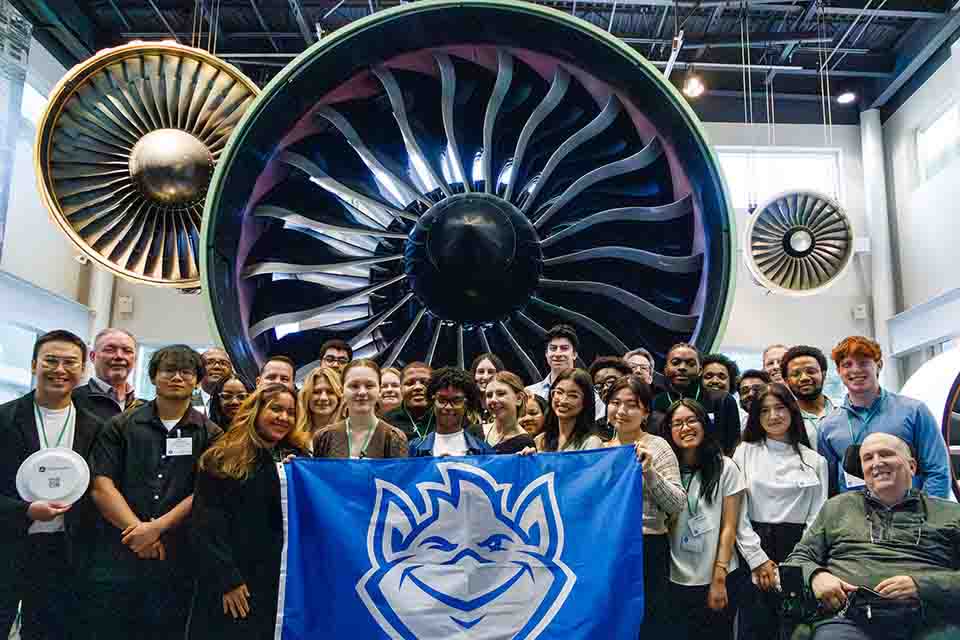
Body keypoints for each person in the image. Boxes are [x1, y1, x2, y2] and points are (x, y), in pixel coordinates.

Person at [88, 345, 222, 640]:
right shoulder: (120, 426)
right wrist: (138, 531)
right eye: (168, 371)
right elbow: (101, 484)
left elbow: (206, 492)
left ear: (197, 380)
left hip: (177, 558)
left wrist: (157, 528)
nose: (177, 377)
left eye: (186, 371)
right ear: (153, 376)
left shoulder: (211, 434)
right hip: (118, 554)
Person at [782, 432, 960, 639]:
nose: (876, 463)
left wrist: (922, 585)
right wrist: (816, 576)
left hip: (929, 618)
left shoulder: (951, 513)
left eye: (885, 454)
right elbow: (797, 560)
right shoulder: (838, 507)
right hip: (849, 619)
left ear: (912, 466)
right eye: (868, 458)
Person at [188, 384, 311, 640]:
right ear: (255, 411)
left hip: (279, 582)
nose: (283, 418)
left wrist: (298, 475)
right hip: (233, 580)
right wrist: (228, 579)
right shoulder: (220, 458)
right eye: (276, 409)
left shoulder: (299, 459)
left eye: (290, 412)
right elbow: (205, 525)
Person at [0, 330, 101, 639]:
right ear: (34, 365)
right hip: (7, 545)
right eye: (51, 361)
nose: (60, 370)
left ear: (83, 369)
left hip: (66, 551)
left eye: (70, 362)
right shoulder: (4, 419)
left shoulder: (96, 427)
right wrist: (26, 509)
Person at [734, 384, 828, 640]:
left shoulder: (815, 460)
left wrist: (797, 563)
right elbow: (738, 514)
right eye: (765, 410)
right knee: (755, 626)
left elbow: (817, 518)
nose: (773, 416)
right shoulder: (744, 452)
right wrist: (757, 559)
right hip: (754, 547)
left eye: (780, 408)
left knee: (794, 629)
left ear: (792, 411)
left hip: (798, 549)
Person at [817, 336, 952, 498]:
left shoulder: (913, 411)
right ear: (839, 371)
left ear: (878, 365)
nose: (855, 370)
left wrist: (929, 515)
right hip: (857, 518)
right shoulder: (828, 426)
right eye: (847, 365)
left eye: (863, 363)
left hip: (909, 515)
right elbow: (829, 485)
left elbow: (937, 470)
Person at [603, 375, 685, 635]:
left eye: (632, 404)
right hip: (605, 548)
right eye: (615, 403)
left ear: (646, 412)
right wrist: (531, 460)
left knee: (646, 623)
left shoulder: (657, 447)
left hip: (646, 547)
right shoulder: (597, 449)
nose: (622, 411)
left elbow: (677, 504)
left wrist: (649, 472)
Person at [664, 399, 750, 640]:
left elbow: (729, 527)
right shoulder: (665, 468)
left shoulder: (726, 467)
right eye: (677, 423)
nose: (685, 428)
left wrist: (719, 578)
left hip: (717, 575)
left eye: (692, 421)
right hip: (674, 576)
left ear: (705, 424)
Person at [652, 343, 741, 456]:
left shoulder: (722, 399)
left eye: (690, 364)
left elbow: (733, 446)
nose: (682, 367)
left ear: (700, 371)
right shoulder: (657, 402)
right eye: (675, 363)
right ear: (665, 369)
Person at [313, 360, 408, 459]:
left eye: (369, 386)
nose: (362, 392)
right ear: (341, 391)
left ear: (379, 390)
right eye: (354, 386)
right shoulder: (324, 437)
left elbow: (399, 474)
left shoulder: (394, 437)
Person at [525, 324, 605, 420]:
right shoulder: (530, 392)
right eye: (553, 348)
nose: (558, 354)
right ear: (546, 354)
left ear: (574, 354)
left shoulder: (591, 394)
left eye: (564, 348)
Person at [409, 368, 493, 457]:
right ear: (432, 400)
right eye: (442, 400)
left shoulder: (484, 451)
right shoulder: (413, 449)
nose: (448, 407)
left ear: (467, 403)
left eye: (456, 400)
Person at [72, 327, 138, 421]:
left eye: (127, 351)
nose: (119, 356)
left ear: (135, 359)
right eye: (109, 350)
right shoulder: (72, 401)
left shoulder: (145, 408)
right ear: (92, 357)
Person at [533, 368, 604, 452]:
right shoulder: (540, 440)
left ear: (586, 402)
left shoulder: (592, 443)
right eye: (559, 392)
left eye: (572, 396)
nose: (563, 401)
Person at [782, 345, 835, 453]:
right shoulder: (785, 419)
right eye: (796, 374)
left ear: (823, 375)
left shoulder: (842, 410)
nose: (804, 378)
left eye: (811, 371)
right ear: (786, 381)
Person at [482, 371, 536, 454]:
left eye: (501, 394)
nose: (493, 400)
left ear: (518, 398)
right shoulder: (475, 432)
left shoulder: (525, 443)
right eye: (489, 395)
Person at [382, 362, 434, 441]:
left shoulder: (447, 416)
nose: (418, 387)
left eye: (425, 383)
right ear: (401, 388)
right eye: (410, 383)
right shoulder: (386, 423)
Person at [589, 356, 632, 440]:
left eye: (610, 382)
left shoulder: (651, 421)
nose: (605, 388)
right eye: (598, 386)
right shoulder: (594, 430)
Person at [296, 367, 343, 437]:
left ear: (338, 396)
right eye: (316, 392)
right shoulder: (292, 430)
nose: (323, 398)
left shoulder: (351, 432)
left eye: (330, 392)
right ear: (306, 396)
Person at [196, 348, 233, 416]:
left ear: (231, 371)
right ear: (199, 369)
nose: (217, 366)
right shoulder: (185, 402)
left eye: (223, 363)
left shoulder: (242, 401)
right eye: (209, 362)